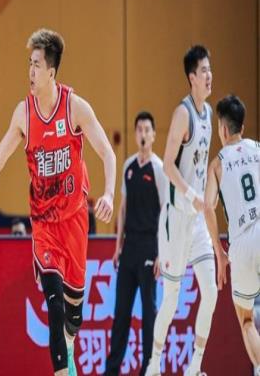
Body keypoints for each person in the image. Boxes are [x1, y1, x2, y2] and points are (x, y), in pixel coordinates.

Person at [0, 28, 116, 376]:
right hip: (43, 225)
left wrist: (110, 193)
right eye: (29, 63)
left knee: (74, 315)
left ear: (51, 72)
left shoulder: (75, 107)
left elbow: (107, 152)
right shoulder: (23, 114)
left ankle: (69, 344)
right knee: (54, 303)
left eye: (37, 65)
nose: (30, 71)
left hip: (74, 220)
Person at [146, 46, 217, 376]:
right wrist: (191, 195)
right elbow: (168, 164)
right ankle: (154, 364)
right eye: (203, 71)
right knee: (172, 298)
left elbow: (201, 167)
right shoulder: (183, 114)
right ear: (192, 78)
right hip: (176, 217)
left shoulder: (208, 113)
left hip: (197, 220)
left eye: (210, 69)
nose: (209, 75)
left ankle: (195, 366)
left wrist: (206, 197)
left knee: (211, 292)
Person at [105, 111, 167, 375]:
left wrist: (161, 253)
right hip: (129, 247)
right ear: (135, 134)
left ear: (153, 135)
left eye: (147, 130)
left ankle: (149, 368)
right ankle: (112, 369)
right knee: (121, 312)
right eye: (139, 129)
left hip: (150, 247)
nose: (143, 134)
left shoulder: (159, 169)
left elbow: (165, 212)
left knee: (149, 313)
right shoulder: (128, 166)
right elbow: (122, 208)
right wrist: (117, 247)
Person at [204, 95, 260, 375]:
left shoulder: (217, 164)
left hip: (242, 241)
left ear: (223, 130)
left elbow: (208, 206)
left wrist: (219, 251)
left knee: (246, 320)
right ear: (242, 126)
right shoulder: (258, 149)